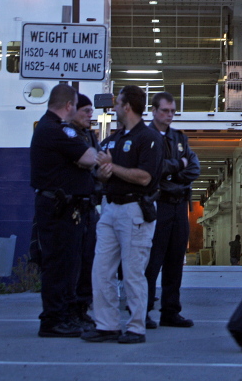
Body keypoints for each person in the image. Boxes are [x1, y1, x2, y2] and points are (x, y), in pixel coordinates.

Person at [82, 86, 163, 344]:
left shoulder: (149, 138)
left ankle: (137, 326)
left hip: (134, 210)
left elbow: (144, 177)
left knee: (133, 271)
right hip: (109, 208)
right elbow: (100, 173)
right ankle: (107, 325)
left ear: (127, 106)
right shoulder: (113, 140)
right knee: (101, 269)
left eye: (117, 103)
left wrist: (111, 167)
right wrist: (102, 173)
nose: (114, 107)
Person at [30, 84, 98, 338]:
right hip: (59, 209)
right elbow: (90, 158)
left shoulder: (51, 128)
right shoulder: (55, 130)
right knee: (59, 265)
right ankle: (53, 320)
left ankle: (65, 315)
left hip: (66, 207)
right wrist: (87, 158)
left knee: (69, 264)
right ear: (69, 105)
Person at [144, 92, 200, 330]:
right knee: (152, 261)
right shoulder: (145, 137)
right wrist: (176, 168)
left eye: (172, 112)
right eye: (165, 111)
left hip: (179, 205)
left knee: (175, 260)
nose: (169, 115)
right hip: (159, 204)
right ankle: (143, 310)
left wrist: (169, 172)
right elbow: (152, 169)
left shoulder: (179, 138)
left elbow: (194, 167)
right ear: (154, 110)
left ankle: (170, 311)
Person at [68, 93, 101, 330]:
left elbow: (96, 161)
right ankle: (69, 310)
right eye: (86, 111)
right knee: (72, 261)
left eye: (91, 111)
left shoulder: (89, 134)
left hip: (90, 205)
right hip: (72, 206)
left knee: (90, 259)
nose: (91, 115)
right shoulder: (66, 134)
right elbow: (86, 160)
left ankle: (82, 307)